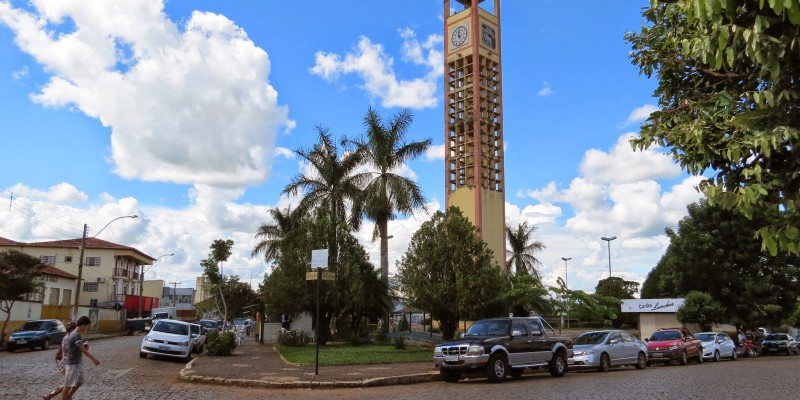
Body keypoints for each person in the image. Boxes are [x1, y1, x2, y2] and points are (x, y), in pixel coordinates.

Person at [62, 316, 100, 400]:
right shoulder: (75, 334)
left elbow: (79, 348)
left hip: (77, 363)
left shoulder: (76, 334)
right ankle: (65, 398)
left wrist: (83, 346)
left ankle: (68, 396)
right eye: (86, 326)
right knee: (68, 385)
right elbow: (82, 349)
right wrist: (94, 359)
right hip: (72, 364)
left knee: (80, 381)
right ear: (83, 325)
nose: (87, 328)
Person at [42, 321, 77, 400]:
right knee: (70, 383)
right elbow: (70, 351)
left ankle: (51, 395)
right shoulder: (68, 339)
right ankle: (57, 395)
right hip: (66, 365)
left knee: (70, 383)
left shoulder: (68, 338)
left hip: (67, 364)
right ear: (72, 330)